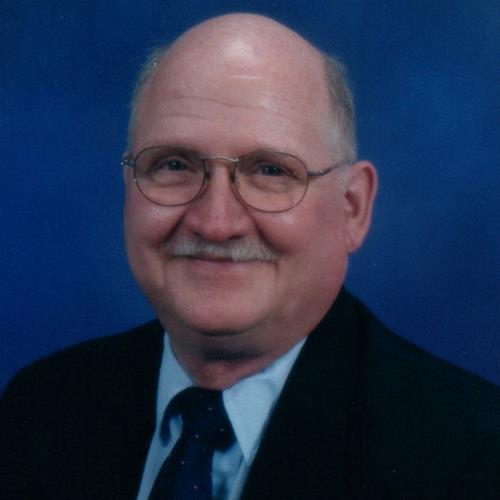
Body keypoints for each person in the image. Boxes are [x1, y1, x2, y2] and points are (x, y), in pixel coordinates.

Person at [1, 13, 500, 500]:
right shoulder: (42, 407)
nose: (215, 223)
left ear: (352, 208)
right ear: (129, 187)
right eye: (174, 164)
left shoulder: (469, 454)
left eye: (270, 171)